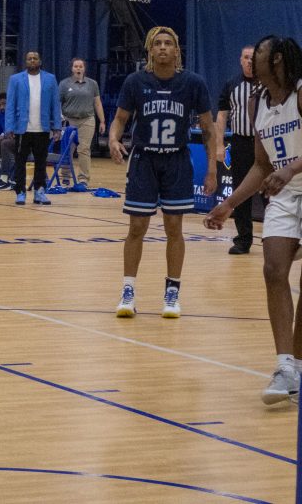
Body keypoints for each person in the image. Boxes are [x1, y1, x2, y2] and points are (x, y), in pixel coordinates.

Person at [205, 36, 302, 403]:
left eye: (257, 55)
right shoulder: (257, 100)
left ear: (275, 59)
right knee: (274, 270)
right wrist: (228, 204)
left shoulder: (300, 93)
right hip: (285, 191)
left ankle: (298, 365)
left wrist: (292, 168)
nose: (250, 62)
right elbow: (262, 165)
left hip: (294, 178)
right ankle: (284, 367)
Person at [109, 26, 216, 320]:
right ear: (150, 51)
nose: (164, 47)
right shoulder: (136, 81)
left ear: (177, 50)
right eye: (158, 43)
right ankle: (128, 291)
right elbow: (119, 119)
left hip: (177, 161)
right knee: (136, 228)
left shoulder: (193, 83)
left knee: (174, 229)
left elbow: (208, 128)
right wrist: (113, 138)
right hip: (144, 160)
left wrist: (212, 170)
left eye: (169, 43)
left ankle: (172, 292)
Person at [215, 45, 260, 254]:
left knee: (271, 192)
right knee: (240, 192)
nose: (249, 61)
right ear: (240, 60)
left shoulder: (267, 84)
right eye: (246, 57)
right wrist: (219, 144)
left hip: (264, 144)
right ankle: (243, 240)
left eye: (253, 58)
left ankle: (275, 240)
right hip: (241, 142)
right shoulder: (232, 85)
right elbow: (222, 116)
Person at [6, 51, 62, 206]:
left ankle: (40, 191)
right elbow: (10, 105)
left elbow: (55, 105)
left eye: (35, 58)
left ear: (40, 61)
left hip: (42, 129)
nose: (32, 61)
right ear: (25, 61)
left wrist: (57, 127)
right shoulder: (16, 79)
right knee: (20, 162)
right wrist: (9, 127)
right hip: (22, 129)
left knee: (41, 162)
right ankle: (21, 192)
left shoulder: (50, 79)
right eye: (29, 58)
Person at [59, 58, 106, 192]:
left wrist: (102, 121)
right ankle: (66, 177)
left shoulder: (92, 84)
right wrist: (58, 120)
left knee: (84, 149)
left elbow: (97, 103)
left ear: (84, 69)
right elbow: (57, 103)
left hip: (87, 120)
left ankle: (83, 179)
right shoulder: (64, 84)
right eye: (76, 66)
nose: (78, 69)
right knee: (68, 149)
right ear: (72, 69)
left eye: (81, 66)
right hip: (69, 120)